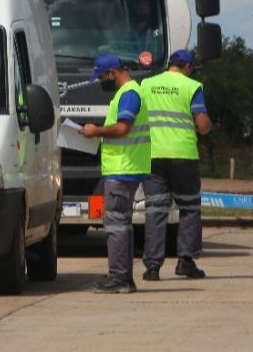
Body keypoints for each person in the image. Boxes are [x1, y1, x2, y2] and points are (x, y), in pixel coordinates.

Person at [81, 54, 152, 294]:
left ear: (112, 72)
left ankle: (119, 277)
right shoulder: (127, 93)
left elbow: (123, 128)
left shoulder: (129, 94)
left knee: (116, 224)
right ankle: (123, 276)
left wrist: (96, 130)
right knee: (121, 223)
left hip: (124, 168)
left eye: (102, 76)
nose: (102, 81)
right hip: (125, 167)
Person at [139, 49, 212, 281]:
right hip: (183, 156)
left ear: (169, 64)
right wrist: (206, 126)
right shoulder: (191, 87)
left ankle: (152, 267)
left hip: (152, 154)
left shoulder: (146, 85)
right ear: (188, 67)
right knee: (189, 208)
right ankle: (186, 261)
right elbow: (202, 124)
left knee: (155, 210)